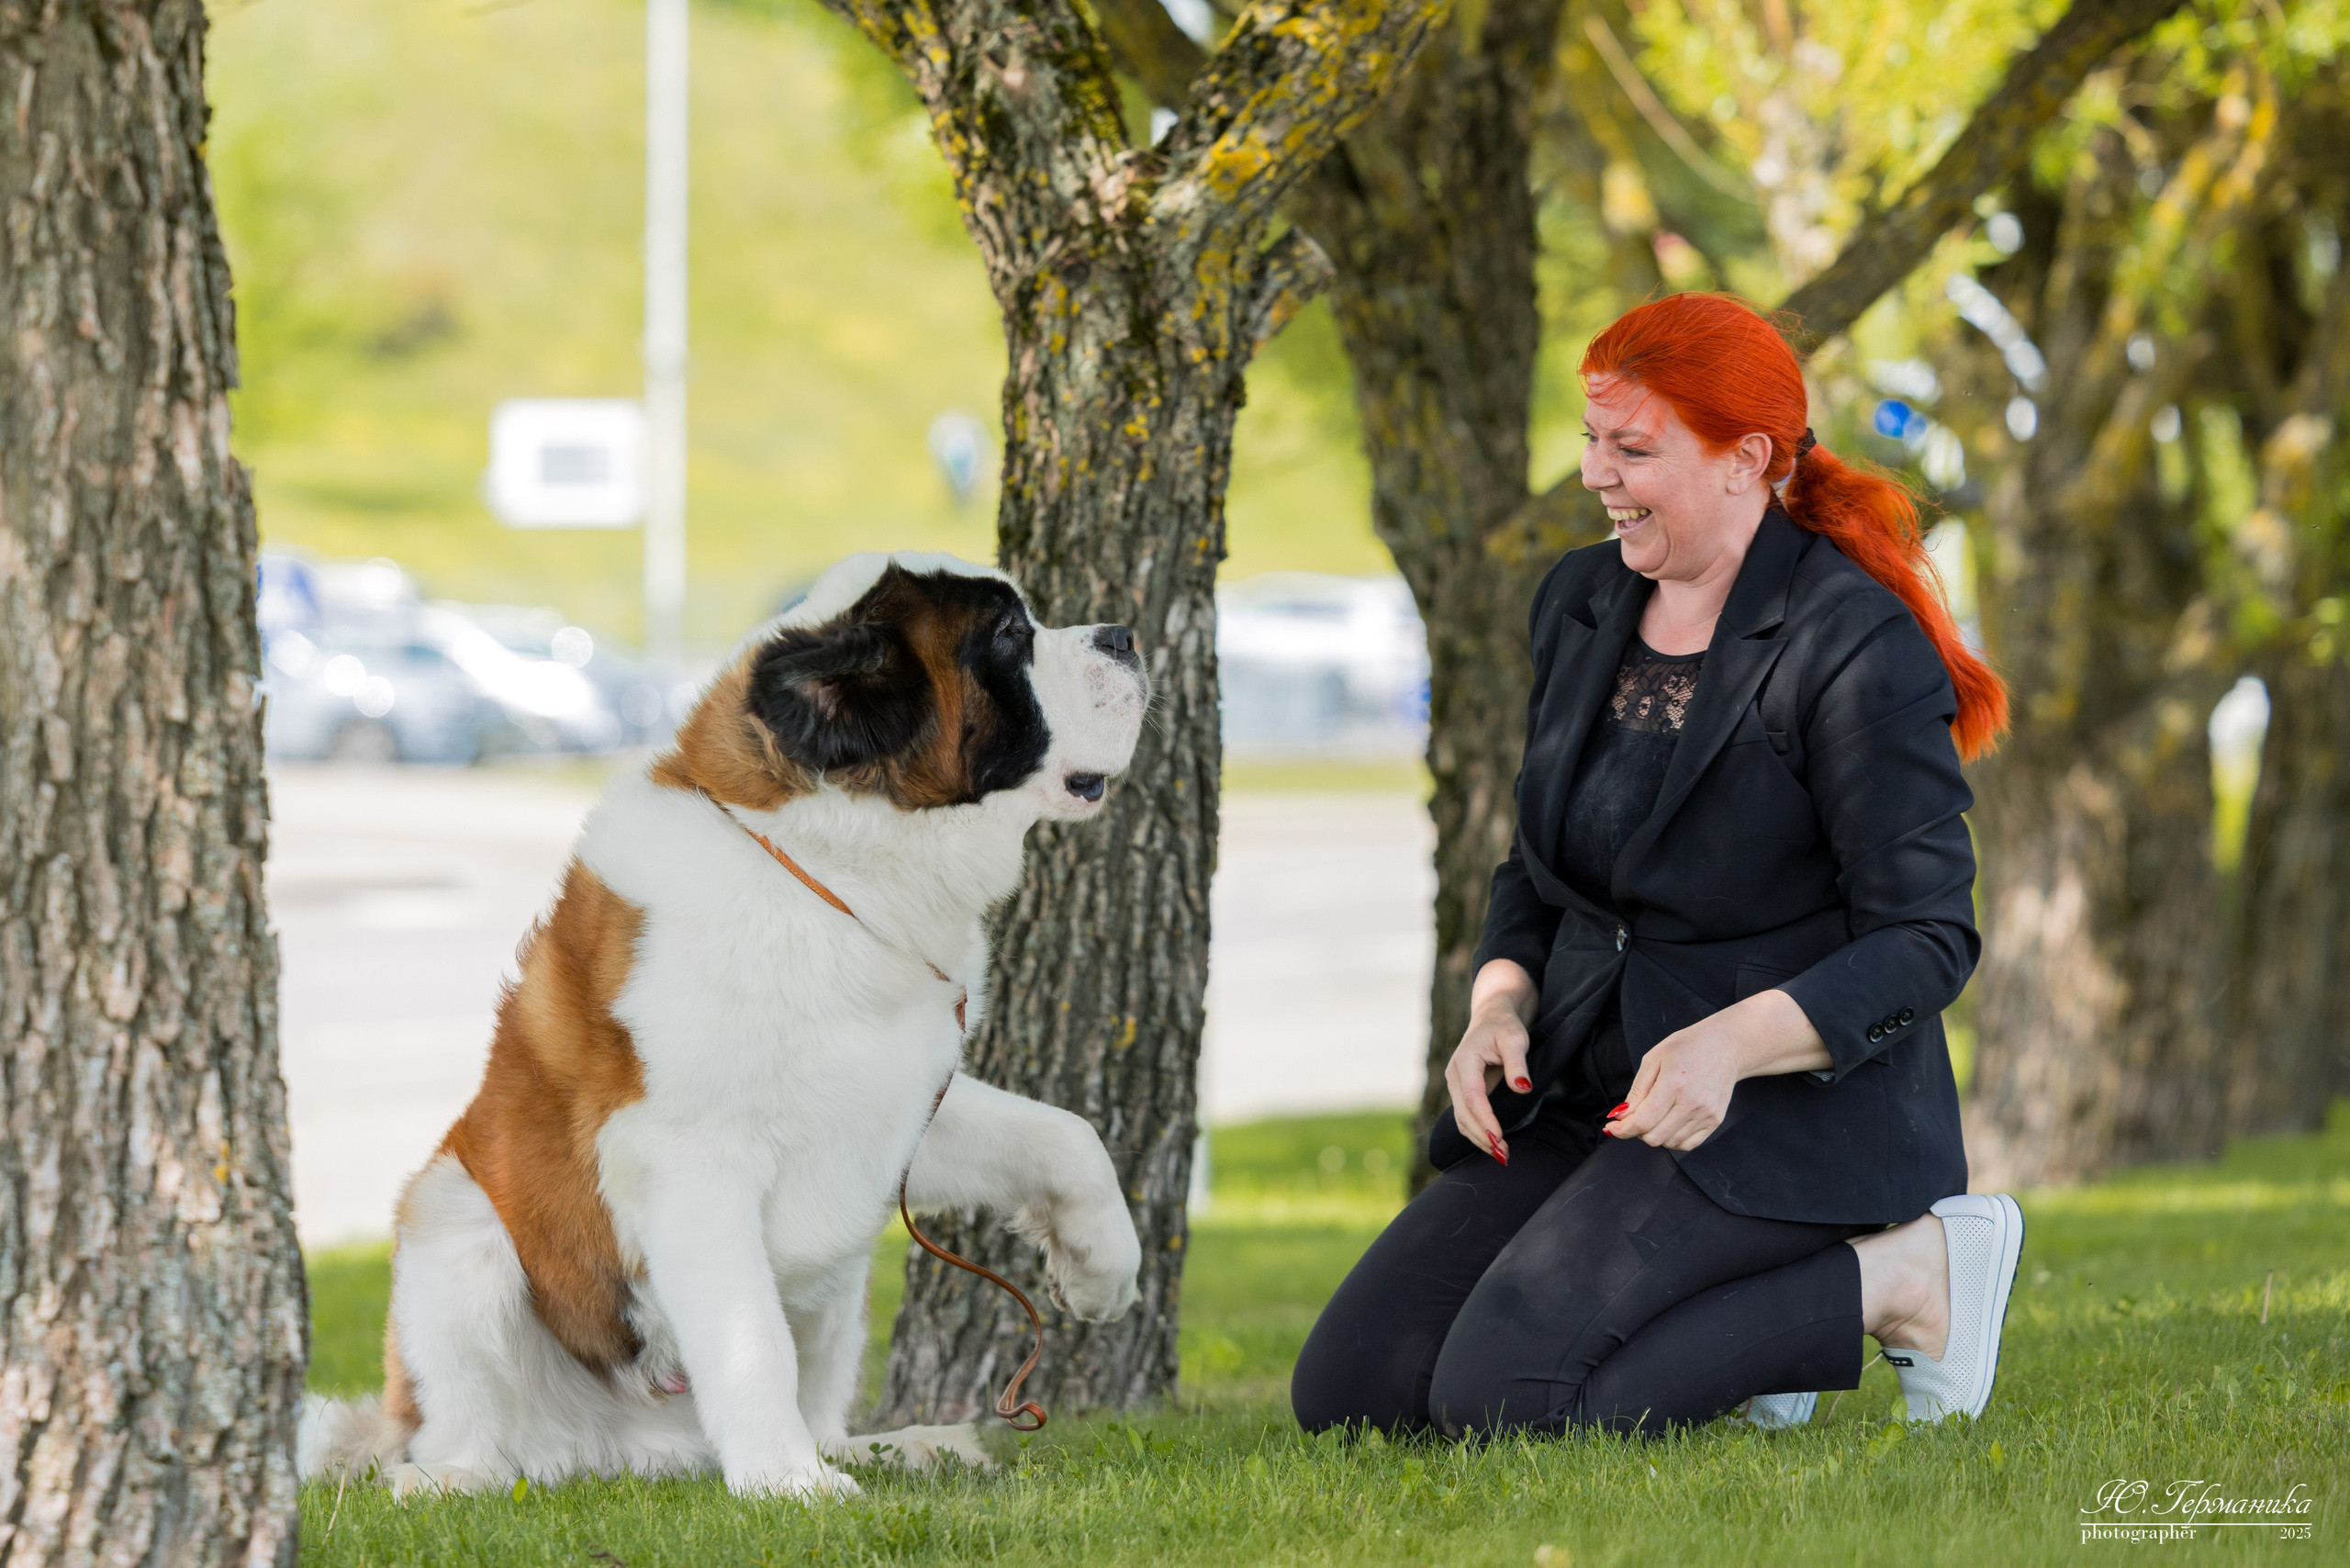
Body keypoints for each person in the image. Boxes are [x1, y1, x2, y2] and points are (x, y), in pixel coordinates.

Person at [1292, 292, 2025, 1440]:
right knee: (1352, 1398)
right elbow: (1539, 864)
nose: (1596, 473)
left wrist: (1730, 1046)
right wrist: (1498, 1005)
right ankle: (1736, 1314)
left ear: (1746, 460)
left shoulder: (1852, 642)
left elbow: (1926, 937)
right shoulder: (1580, 599)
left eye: (1633, 449)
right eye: (1591, 438)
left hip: (1782, 1108)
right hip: (1598, 1087)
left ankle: (1908, 1277)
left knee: (1504, 1404)